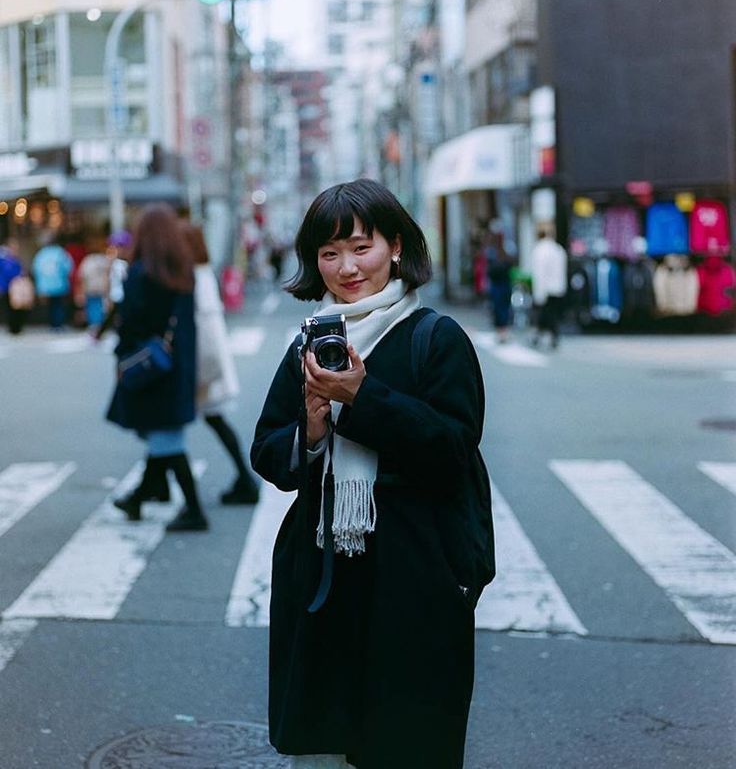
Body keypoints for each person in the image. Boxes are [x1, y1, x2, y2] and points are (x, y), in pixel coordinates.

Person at [251, 179, 486, 769]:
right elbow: (268, 452)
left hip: (415, 572)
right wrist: (309, 429)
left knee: (408, 742)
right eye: (329, 253)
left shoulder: (436, 338)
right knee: (330, 744)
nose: (346, 267)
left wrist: (361, 400)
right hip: (326, 571)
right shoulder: (311, 341)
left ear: (398, 246)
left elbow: (453, 449)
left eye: (361, 247)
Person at [107, 204, 207, 532]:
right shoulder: (183, 273)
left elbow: (130, 324)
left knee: (167, 441)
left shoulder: (142, 274)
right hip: (175, 368)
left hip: (151, 368)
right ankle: (139, 496)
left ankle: (194, 510)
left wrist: (122, 357)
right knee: (164, 435)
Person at [181, 221, 260, 505]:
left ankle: (245, 480)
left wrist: (202, 373)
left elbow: (203, 329)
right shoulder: (202, 273)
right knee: (210, 421)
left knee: (169, 427)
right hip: (211, 362)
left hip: (206, 364)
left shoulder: (193, 276)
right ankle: (245, 479)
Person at [530, 228, 568, 348]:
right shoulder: (558, 249)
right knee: (552, 314)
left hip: (546, 288)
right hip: (558, 287)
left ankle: (540, 335)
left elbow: (539, 273)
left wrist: (538, 293)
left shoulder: (540, 250)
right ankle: (548, 336)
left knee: (545, 314)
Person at [32, 235, 73, 330]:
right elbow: (68, 267)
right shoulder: (60, 252)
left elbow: (36, 268)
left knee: (50, 305)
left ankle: (52, 324)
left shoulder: (41, 254)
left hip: (45, 285)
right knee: (58, 305)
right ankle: (59, 324)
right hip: (59, 284)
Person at [485, 232, 514, 342]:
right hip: (499, 284)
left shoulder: (501, 251)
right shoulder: (493, 252)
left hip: (501, 284)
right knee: (500, 308)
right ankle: (501, 330)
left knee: (502, 308)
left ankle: (502, 330)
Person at [78, 241, 110, 328]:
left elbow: (82, 275)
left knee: (92, 306)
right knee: (101, 306)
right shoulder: (104, 260)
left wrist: (82, 289)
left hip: (91, 287)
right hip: (102, 287)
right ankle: (99, 324)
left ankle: (94, 324)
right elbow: (109, 274)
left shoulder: (87, 260)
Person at [0, 238, 23, 329]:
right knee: (8, 307)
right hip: (6, 287)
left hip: (16, 288)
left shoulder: (16, 260)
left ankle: (15, 326)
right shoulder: (4, 260)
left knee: (15, 307)